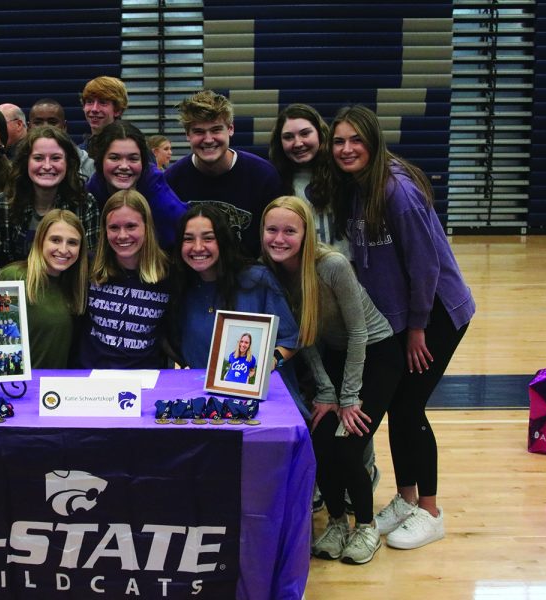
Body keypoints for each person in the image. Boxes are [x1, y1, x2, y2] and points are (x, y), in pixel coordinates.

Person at [328, 105, 475, 550]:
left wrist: (417, 330)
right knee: (399, 409)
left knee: (409, 409)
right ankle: (407, 498)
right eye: (339, 141)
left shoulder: (398, 193)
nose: (347, 148)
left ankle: (430, 511)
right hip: (405, 317)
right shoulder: (356, 188)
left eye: (356, 140)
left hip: (436, 315)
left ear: (374, 142)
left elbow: (426, 266)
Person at [261, 195, 401, 564]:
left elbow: (358, 334)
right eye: (271, 230)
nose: (279, 238)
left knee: (349, 445)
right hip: (334, 357)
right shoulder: (273, 271)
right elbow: (304, 336)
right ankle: (337, 521)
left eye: (289, 231)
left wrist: (349, 397)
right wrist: (325, 391)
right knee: (320, 438)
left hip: (377, 353)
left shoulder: (332, 264)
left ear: (306, 233)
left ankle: (366, 526)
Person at [171, 203, 301, 409]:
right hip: (204, 402)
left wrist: (270, 362)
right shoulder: (180, 288)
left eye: (208, 238)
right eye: (188, 239)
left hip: (265, 401)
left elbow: (292, 338)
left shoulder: (256, 280)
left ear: (222, 241)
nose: (197, 247)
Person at [164, 89, 283, 258]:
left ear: (231, 129)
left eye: (216, 130)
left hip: (249, 275)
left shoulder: (263, 176)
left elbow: (276, 241)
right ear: (187, 135)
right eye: (199, 132)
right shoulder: (172, 180)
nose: (208, 139)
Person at [78, 189, 171, 369]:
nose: (122, 235)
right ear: (104, 230)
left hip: (147, 379)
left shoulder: (168, 272)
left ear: (147, 226)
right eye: (114, 227)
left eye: (131, 226)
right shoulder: (89, 267)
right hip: (91, 378)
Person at [0, 126, 99, 264]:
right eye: (38, 158)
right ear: (26, 162)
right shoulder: (2, 205)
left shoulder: (85, 203)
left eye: (55, 158)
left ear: (68, 162)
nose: (47, 166)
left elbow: (89, 263)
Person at [0, 209, 88, 368]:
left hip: (54, 389)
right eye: (55, 240)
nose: (63, 249)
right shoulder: (13, 277)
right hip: (17, 389)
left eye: (72, 242)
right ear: (40, 241)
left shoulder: (75, 286)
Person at [86, 121, 186, 248]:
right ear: (101, 160)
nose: (124, 166)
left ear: (143, 162)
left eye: (133, 158)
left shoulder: (156, 188)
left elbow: (182, 233)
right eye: (114, 158)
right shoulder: (93, 190)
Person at [269, 103, 347, 254]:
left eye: (305, 133)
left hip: (345, 269)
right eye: (288, 137)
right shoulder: (274, 181)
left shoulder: (342, 172)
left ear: (320, 133)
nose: (298, 143)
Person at [29, 98, 96, 178]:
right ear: (29, 127)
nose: (45, 127)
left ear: (64, 127)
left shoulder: (87, 163)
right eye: (38, 123)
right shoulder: (18, 163)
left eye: (52, 122)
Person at [80, 75, 128, 146]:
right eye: (89, 102)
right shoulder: (78, 154)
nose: (94, 109)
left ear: (118, 110)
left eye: (103, 102)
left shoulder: (133, 149)